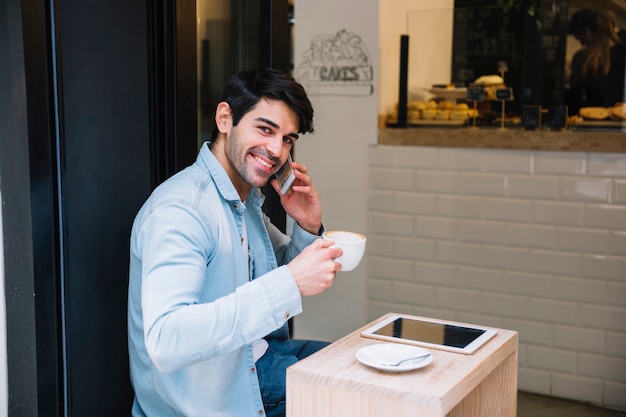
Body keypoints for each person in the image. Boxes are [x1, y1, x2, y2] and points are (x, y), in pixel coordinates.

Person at [127, 68, 343, 417]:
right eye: (265, 129)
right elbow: (167, 339)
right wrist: (288, 282)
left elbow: (285, 268)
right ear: (225, 118)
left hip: (257, 354)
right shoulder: (183, 210)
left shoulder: (244, 202)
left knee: (358, 369)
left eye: (287, 138)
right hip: (213, 393)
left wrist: (307, 224)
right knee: (363, 398)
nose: (276, 150)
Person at [566, 8, 626, 116]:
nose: (582, 43)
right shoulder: (621, 51)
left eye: (580, 38)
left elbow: (575, 99)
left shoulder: (583, 59)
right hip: (621, 118)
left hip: (593, 118)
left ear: (588, 31)